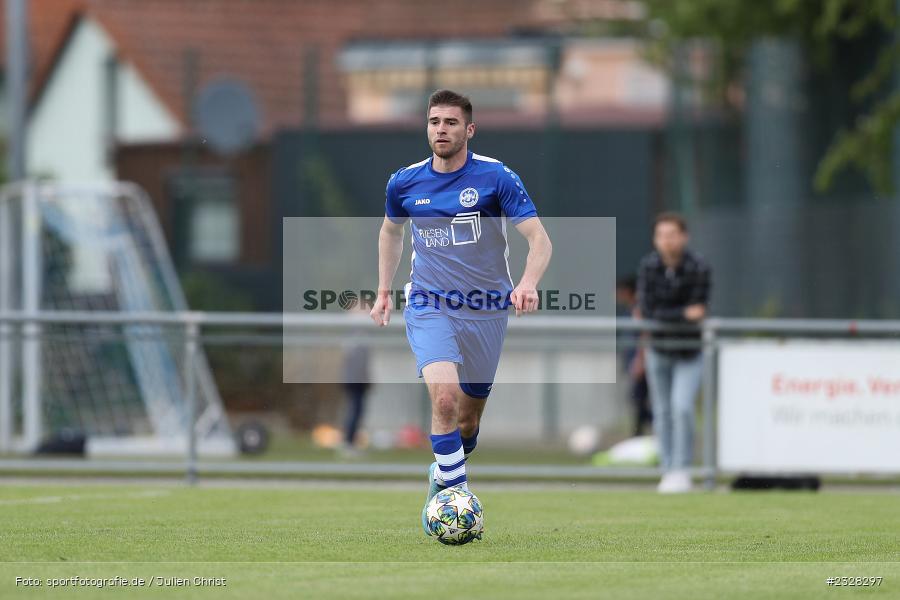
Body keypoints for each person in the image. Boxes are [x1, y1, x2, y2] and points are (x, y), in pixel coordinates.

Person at [369, 89, 552, 533]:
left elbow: (540, 240)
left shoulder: (496, 178)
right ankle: (455, 501)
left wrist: (527, 284)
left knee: (467, 421)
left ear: (468, 129)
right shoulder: (405, 182)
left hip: (487, 310)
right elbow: (391, 232)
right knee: (445, 398)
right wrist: (383, 290)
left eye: (450, 123)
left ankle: (443, 470)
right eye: (434, 122)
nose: (441, 130)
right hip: (430, 303)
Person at [637, 212, 711, 493]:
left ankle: (682, 468)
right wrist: (682, 313)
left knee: (682, 407)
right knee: (662, 411)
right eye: (661, 235)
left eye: (672, 235)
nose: (666, 241)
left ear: (683, 236)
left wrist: (669, 314)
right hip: (658, 348)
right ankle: (667, 469)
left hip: (689, 351)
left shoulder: (698, 266)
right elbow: (649, 309)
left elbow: (700, 309)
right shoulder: (649, 266)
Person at [616, 275, 651, 437]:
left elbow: (644, 335)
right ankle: (638, 436)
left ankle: (640, 436)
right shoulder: (629, 310)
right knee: (637, 402)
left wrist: (640, 360)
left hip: (643, 365)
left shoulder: (640, 309)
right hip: (635, 363)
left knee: (640, 402)